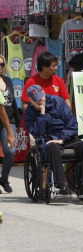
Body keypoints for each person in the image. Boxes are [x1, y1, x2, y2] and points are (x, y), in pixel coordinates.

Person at [24, 85, 83, 197]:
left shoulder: (58, 102)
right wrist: (42, 113)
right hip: (48, 140)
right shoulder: (30, 111)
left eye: (41, 96)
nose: (40, 100)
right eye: (36, 99)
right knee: (52, 147)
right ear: (31, 100)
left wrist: (61, 139)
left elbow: (72, 125)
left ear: (43, 92)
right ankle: (62, 185)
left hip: (66, 138)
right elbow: (37, 132)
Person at [0, 55, 21, 193]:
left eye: (2, 64)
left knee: (10, 151)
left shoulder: (7, 80)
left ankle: (3, 179)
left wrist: (18, 123)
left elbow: (13, 102)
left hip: (9, 120)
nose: (0, 67)